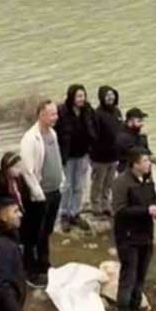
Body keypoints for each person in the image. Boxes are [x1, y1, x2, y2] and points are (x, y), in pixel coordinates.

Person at [112, 149, 156, 311]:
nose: (149, 164)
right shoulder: (121, 182)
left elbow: (154, 199)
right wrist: (146, 210)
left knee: (141, 274)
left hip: (146, 235)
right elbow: (120, 210)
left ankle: (135, 306)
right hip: (128, 237)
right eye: (145, 161)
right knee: (129, 275)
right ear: (135, 163)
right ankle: (122, 310)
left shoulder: (147, 179)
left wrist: (155, 207)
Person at [18, 101, 63, 289]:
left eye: (56, 114)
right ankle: (30, 270)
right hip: (39, 195)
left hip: (54, 191)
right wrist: (37, 193)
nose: (56, 117)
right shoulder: (30, 138)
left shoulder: (53, 133)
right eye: (52, 114)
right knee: (33, 234)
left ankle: (44, 265)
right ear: (41, 115)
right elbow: (27, 170)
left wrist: (62, 180)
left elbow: (57, 159)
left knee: (46, 232)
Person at [55, 84, 95, 229]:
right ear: (71, 96)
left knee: (79, 185)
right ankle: (64, 214)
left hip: (83, 154)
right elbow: (55, 132)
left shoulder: (88, 110)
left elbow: (94, 127)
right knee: (66, 186)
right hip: (67, 155)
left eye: (83, 95)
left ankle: (75, 213)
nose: (81, 99)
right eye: (78, 96)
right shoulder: (62, 111)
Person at [89, 85, 124, 216]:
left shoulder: (117, 112)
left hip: (114, 156)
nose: (110, 97)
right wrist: (92, 153)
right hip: (100, 156)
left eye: (112, 95)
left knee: (109, 182)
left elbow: (121, 129)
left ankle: (106, 203)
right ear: (102, 98)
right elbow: (93, 135)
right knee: (98, 182)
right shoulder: (97, 114)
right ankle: (95, 204)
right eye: (107, 95)